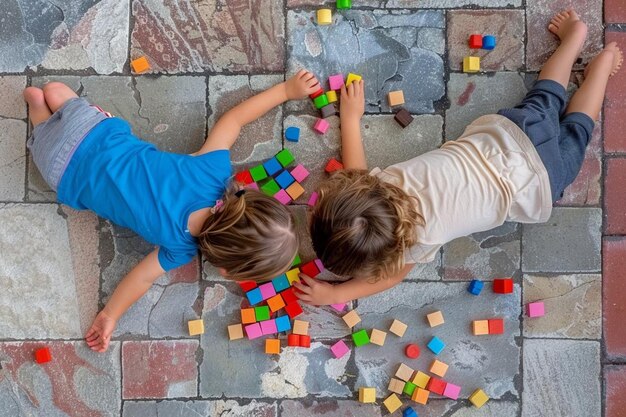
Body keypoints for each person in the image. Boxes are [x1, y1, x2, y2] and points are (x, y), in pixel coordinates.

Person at [296, 10, 622, 305]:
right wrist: (351, 118)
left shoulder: (415, 243)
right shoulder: (387, 184)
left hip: (539, 183)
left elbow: (392, 278)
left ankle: (601, 67)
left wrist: (337, 292)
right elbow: (355, 171)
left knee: (578, 129)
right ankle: (575, 38)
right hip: (510, 136)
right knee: (546, 93)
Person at [23, 70, 322, 351]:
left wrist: (285, 90)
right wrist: (109, 315)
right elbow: (140, 278)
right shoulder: (180, 248)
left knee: (56, 92)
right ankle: (36, 108)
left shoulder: (211, 171)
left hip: (95, 132)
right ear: (225, 269)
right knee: (39, 111)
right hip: (61, 171)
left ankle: (48, 97)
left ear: (247, 197)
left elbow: (234, 120)